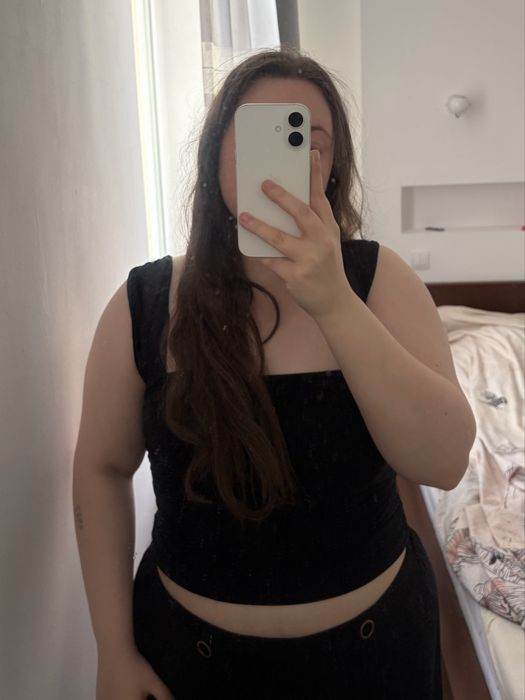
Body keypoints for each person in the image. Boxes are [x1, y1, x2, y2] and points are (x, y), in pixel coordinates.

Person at [73, 47, 477, 700]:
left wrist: (334, 302)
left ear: (332, 167)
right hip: (188, 664)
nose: (287, 156)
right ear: (215, 156)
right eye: (261, 134)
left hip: (378, 659)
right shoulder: (145, 303)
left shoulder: (378, 282)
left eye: (308, 139)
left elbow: (443, 462)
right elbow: (100, 466)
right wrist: (111, 651)